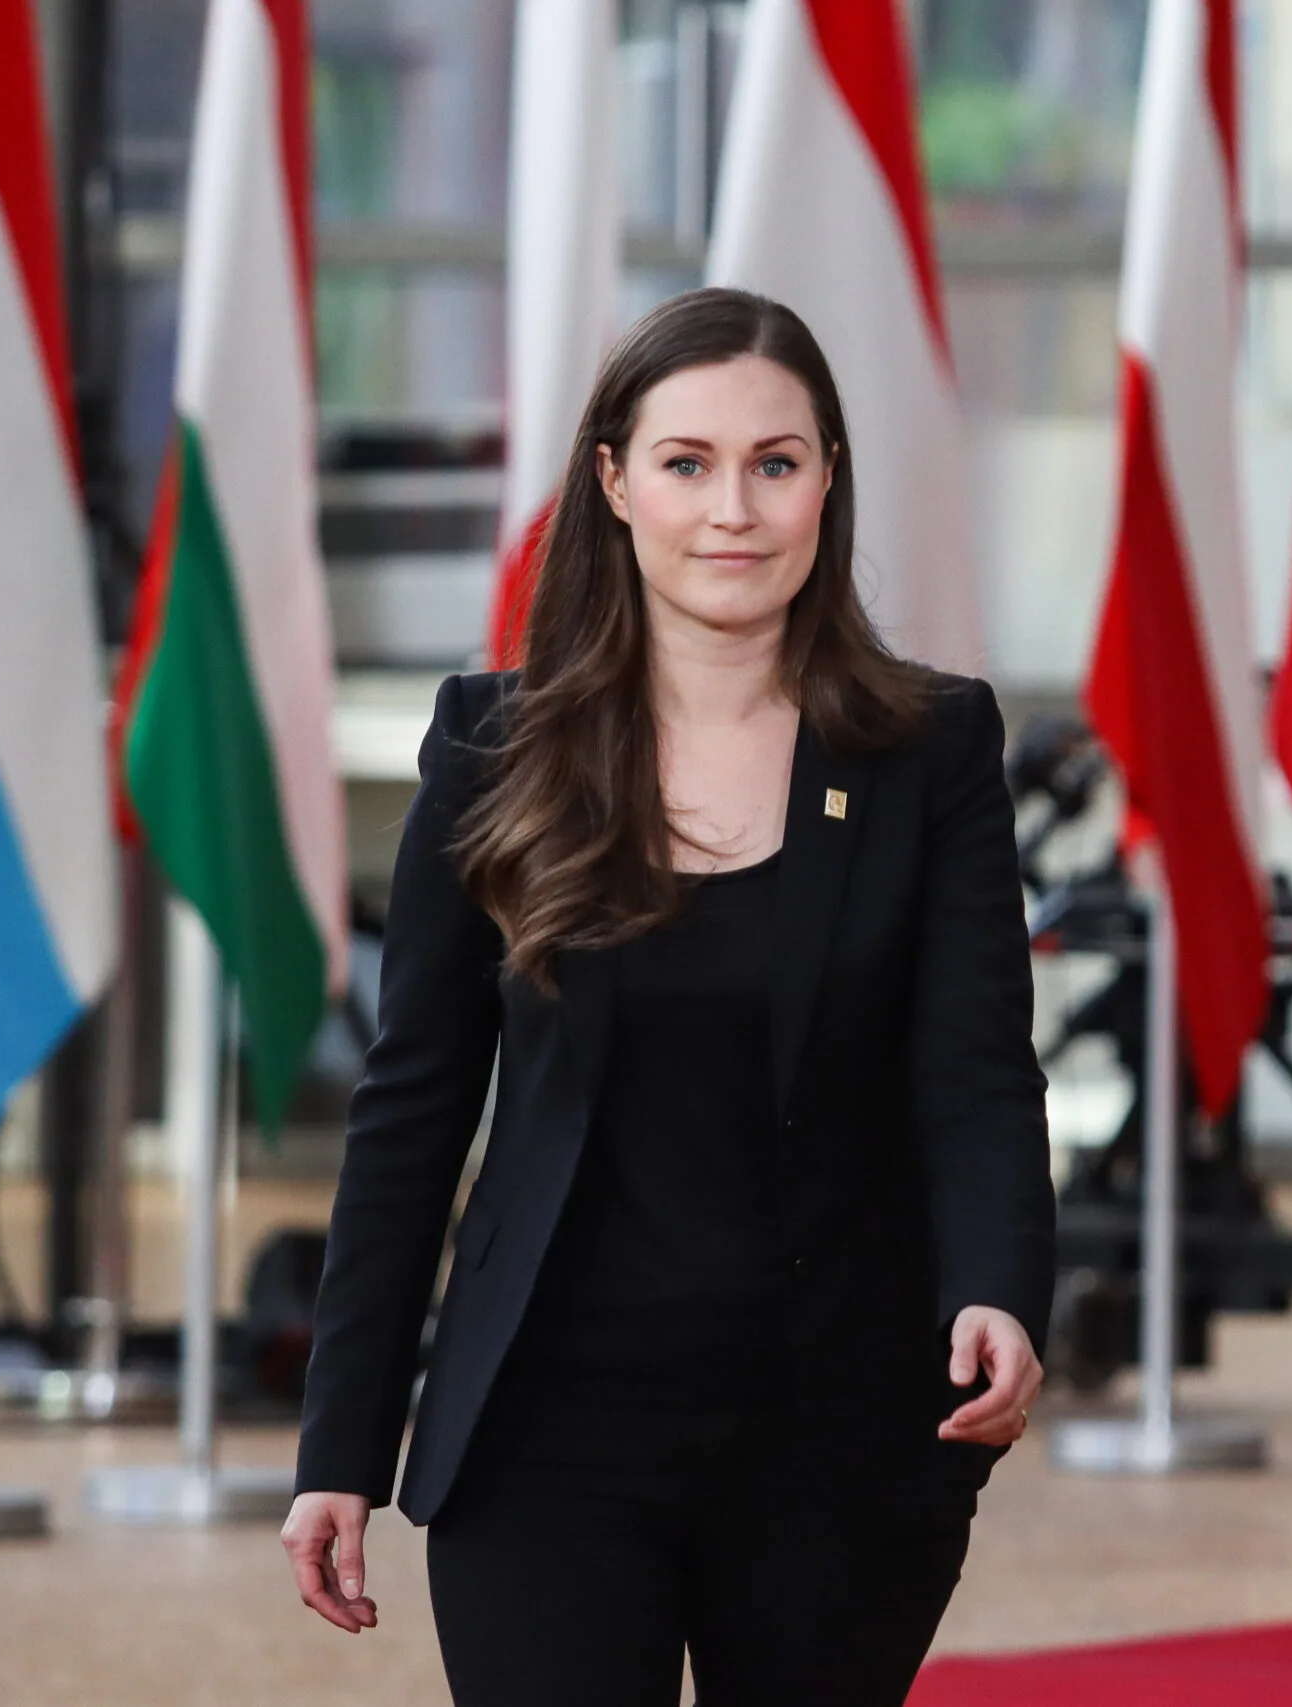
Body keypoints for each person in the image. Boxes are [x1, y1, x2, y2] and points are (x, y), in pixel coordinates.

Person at [279, 287, 1058, 1704]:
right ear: (615, 481)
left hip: (837, 1424)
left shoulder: (927, 746)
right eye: (688, 462)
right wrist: (339, 1446)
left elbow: (977, 1069)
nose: (734, 509)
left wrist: (1002, 1283)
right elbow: (411, 1107)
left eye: (777, 462)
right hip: (545, 1423)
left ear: (828, 480)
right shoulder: (492, 744)